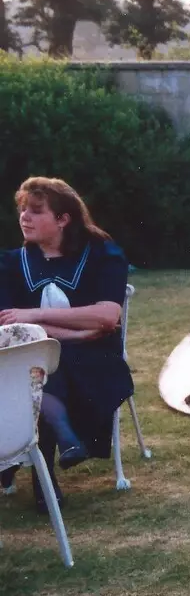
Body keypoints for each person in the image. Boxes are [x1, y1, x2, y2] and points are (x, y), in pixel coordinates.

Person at [0, 177, 135, 511]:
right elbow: (7, 326)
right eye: (22, 210)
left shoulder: (103, 253)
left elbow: (106, 316)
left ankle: (43, 470)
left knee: (42, 369)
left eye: (35, 211)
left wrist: (33, 316)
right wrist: (75, 329)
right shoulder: (10, 263)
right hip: (30, 357)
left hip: (94, 357)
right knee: (37, 366)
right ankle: (62, 439)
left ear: (63, 219)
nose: (24, 218)